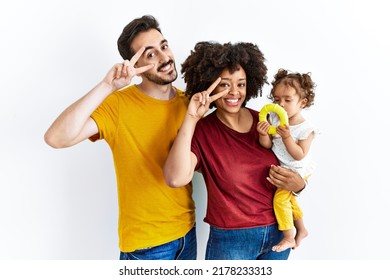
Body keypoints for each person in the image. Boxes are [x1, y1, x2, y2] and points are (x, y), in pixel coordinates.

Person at [44, 15, 197, 260]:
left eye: (164, 46)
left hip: (187, 233)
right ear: (135, 65)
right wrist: (107, 86)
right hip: (146, 245)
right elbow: (56, 138)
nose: (164, 58)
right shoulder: (118, 105)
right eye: (150, 54)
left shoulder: (189, 104)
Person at [163, 41, 307, 260]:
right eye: (224, 84)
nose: (234, 92)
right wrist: (191, 118)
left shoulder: (266, 120)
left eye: (241, 84)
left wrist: (300, 185)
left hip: (278, 233)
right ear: (209, 84)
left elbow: (293, 159)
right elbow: (175, 178)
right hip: (231, 240)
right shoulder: (203, 132)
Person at [257, 68, 318, 252]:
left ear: (302, 102)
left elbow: (299, 154)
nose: (281, 104)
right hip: (284, 168)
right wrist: (264, 133)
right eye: (277, 99)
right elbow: (267, 146)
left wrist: (287, 137)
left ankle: (288, 236)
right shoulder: (274, 118)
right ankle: (301, 229)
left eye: (287, 100)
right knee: (289, 201)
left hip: (298, 169)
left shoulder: (305, 128)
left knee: (280, 201)